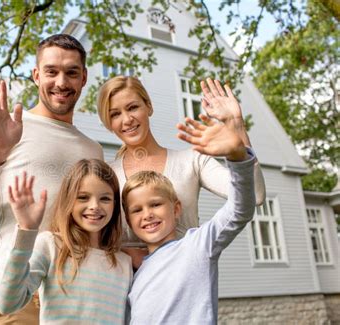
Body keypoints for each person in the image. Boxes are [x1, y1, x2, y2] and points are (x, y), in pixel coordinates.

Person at [0, 34, 103, 324]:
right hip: (16, 295)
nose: (61, 83)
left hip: (76, 298)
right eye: (52, 71)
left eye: (71, 72)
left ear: (84, 78)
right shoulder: (8, 129)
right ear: (36, 75)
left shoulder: (93, 149)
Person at [97, 76, 265, 248]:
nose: (127, 120)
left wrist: (236, 125)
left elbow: (255, 195)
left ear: (149, 106)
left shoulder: (192, 160)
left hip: (186, 273)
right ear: (108, 123)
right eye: (115, 114)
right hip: (129, 275)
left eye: (132, 107)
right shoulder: (105, 177)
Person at [123, 115, 256, 324]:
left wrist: (238, 158)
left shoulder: (197, 246)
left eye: (155, 204)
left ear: (176, 209)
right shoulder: (135, 276)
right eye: (137, 210)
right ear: (129, 222)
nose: (147, 214)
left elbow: (240, 210)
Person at [0, 159, 132, 324]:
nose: (94, 206)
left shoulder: (124, 262)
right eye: (83, 197)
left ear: (115, 205)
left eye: (105, 198)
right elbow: (6, 304)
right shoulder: (51, 245)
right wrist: (26, 231)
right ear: (69, 201)